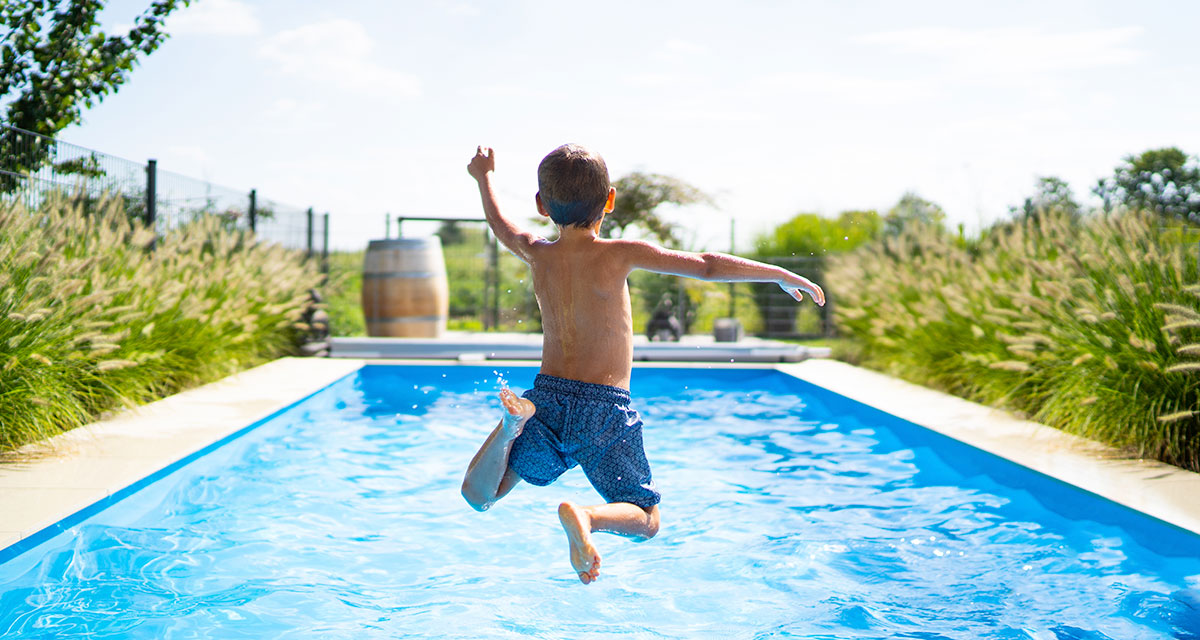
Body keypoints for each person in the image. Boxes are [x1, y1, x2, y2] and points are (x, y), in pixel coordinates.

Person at [460, 144, 825, 584]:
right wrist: (779, 273)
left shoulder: (537, 252)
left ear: (542, 205)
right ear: (609, 200)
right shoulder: (619, 253)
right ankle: (587, 516)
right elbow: (706, 266)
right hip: (603, 409)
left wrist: (484, 177)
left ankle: (509, 428)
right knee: (647, 518)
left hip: (546, 401)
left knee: (481, 496)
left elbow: (500, 225)